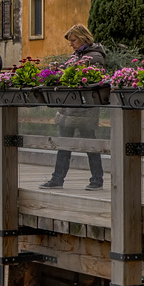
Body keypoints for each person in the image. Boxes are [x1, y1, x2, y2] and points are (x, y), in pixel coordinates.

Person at [39, 24, 107, 190]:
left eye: (73, 40)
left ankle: (97, 180)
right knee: (64, 145)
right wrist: (58, 70)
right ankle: (57, 179)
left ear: (83, 38)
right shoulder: (77, 55)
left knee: (90, 145)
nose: (71, 43)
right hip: (68, 108)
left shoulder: (94, 56)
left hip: (84, 109)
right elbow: (69, 74)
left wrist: (68, 72)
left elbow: (93, 80)